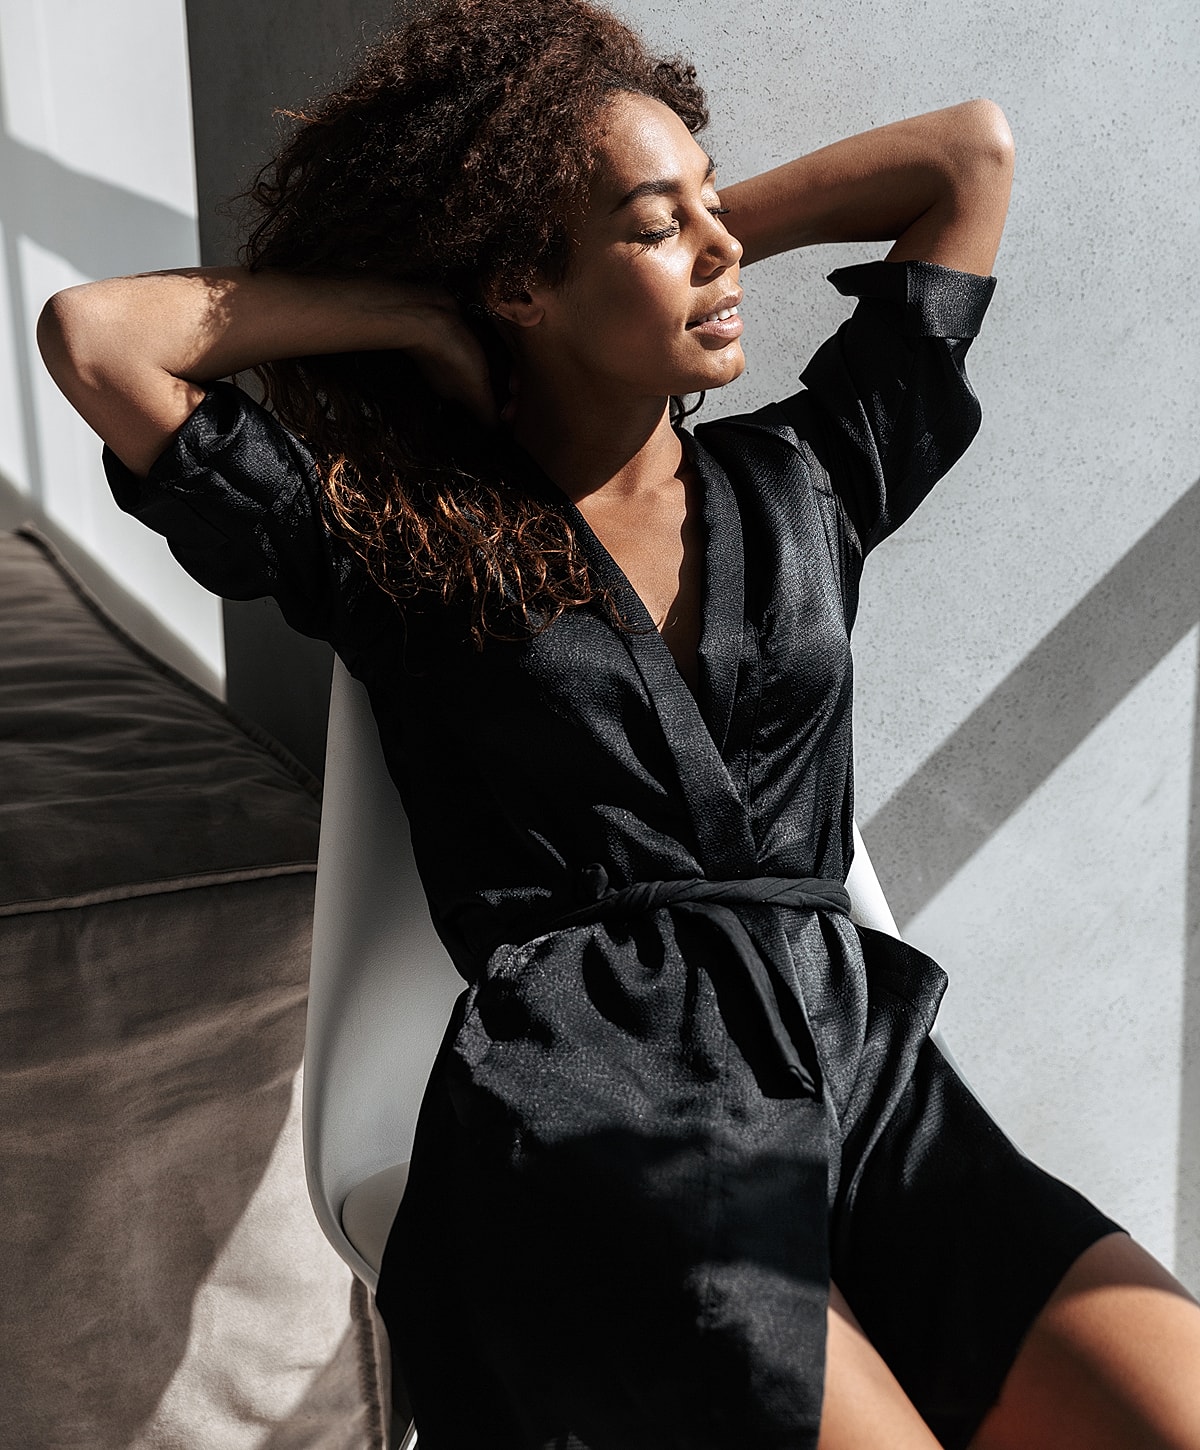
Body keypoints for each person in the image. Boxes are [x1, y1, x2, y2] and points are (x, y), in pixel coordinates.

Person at [36, 1, 1200, 1445]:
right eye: (663, 225)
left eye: (715, 203)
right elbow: (99, 338)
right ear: (521, 281)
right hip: (608, 1120)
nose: (722, 251)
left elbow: (971, 157)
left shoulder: (809, 478)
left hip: (861, 1081)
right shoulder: (409, 550)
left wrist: (685, 227)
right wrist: (420, 308)